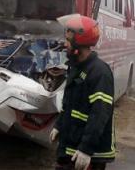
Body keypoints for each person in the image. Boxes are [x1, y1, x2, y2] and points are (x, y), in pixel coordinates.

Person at [50, 14, 115, 170]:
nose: (65, 44)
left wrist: (86, 149)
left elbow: (99, 115)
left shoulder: (100, 72)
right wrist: (59, 125)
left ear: (79, 43)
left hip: (88, 155)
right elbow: (69, 103)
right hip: (71, 147)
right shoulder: (76, 67)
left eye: (68, 41)